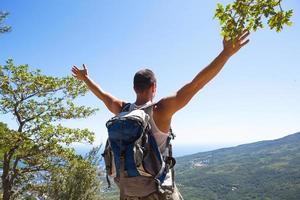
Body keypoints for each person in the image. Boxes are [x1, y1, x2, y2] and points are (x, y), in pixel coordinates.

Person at [71, 31, 250, 200]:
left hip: (128, 192)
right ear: (154, 87)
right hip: (156, 192)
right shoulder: (161, 110)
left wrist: (86, 78)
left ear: (134, 88)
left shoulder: (122, 109)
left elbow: (103, 95)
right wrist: (225, 54)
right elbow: (196, 84)